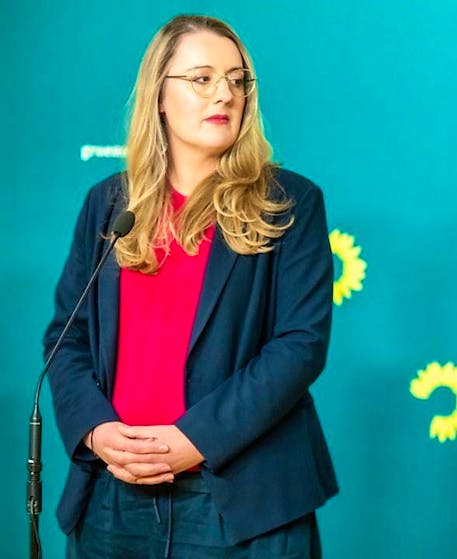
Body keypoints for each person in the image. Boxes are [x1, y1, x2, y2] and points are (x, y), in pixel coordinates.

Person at [44, 15, 336, 557]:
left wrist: (194, 439)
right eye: (202, 78)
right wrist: (96, 431)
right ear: (159, 95)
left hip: (242, 502)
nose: (224, 93)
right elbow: (67, 339)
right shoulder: (108, 204)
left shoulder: (289, 203)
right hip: (112, 498)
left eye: (237, 79)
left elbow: (301, 345)